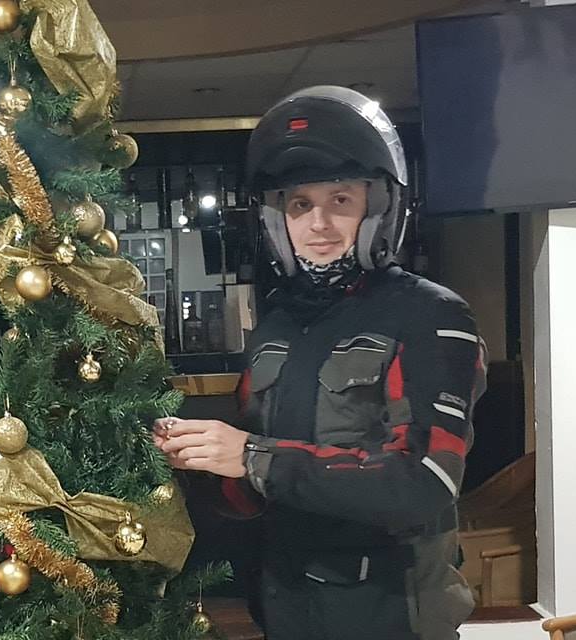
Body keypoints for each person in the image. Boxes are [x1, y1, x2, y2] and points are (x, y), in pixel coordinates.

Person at [154, 86, 486, 640]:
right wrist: (198, 461)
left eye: (340, 200)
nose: (319, 224)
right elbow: (250, 495)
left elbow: (422, 483)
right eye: (299, 205)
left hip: (390, 615)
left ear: (377, 208)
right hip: (285, 605)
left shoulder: (431, 315)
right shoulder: (277, 324)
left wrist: (253, 457)